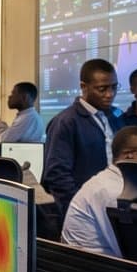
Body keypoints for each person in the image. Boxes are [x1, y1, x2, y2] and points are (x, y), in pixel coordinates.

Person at [60, 127, 137, 256]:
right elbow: (129, 251)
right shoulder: (115, 191)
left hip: (97, 266)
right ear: (130, 156)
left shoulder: (111, 181)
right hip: (97, 271)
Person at [42, 58, 121, 202]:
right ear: (84, 87)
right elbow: (57, 175)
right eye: (102, 89)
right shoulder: (66, 122)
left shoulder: (115, 116)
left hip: (112, 203)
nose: (110, 94)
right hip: (83, 209)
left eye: (114, 87)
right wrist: (80, 207)